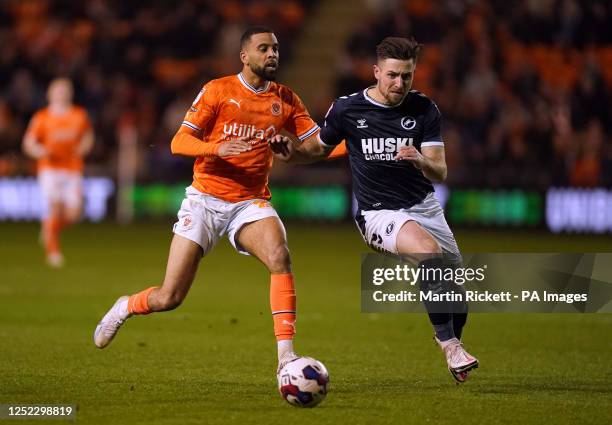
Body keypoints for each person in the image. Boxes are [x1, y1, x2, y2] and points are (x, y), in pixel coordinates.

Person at [93, 26, 321, 375]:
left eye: (275, 49)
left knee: (279, 256)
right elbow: (178, 142)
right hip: (205, 200)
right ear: (245, 56)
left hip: (250, 202)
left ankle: (286, 358)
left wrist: (293, 151)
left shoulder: (286, 99)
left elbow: (315, 147)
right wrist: (218, 147)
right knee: (170, 297)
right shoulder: (218, 91)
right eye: (264, 48)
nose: (272, 54)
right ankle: (126, 305)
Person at [281, 36, 479, 383]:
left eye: (407, 76)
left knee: (455, 296)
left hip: (425, 207)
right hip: (377, 212)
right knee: (427, 253)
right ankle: (450, 346)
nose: (399, 83)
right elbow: (318, 148)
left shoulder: (423, 109)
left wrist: (420, 160)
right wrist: (289, 151)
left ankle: (449, 336)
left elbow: (440, 170)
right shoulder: (348, 109)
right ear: (376, 72)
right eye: (392, 75)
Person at [22, 78, 94, 267]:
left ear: (71, 93)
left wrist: (83, 148)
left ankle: (49, 230)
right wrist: (39, 151)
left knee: (74, 214)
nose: (62, 93)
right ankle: (53, 252)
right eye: (58, 90)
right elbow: (29, 143)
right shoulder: (42, 117)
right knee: (54, 207)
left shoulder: (79, 115)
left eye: (65, 90)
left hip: (72, 168)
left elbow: (88, 136)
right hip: (50, 169)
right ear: (50, 93)